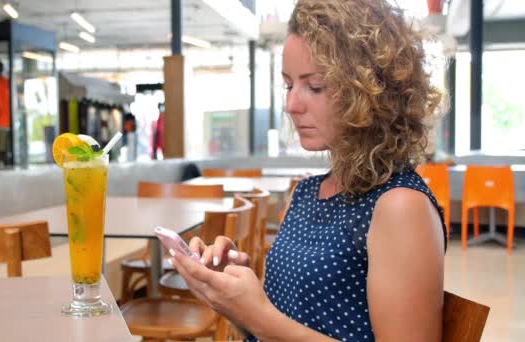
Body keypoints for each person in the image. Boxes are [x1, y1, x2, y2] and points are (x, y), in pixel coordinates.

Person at [170, 0, 446, 341]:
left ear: (371, 91)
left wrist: (257, 315)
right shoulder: (306, 193)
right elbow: (278, 326)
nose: (291, 105)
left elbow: (268, 324)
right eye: (288, 85)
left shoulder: (400, 207)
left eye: (314, 86)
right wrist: (234, 298)